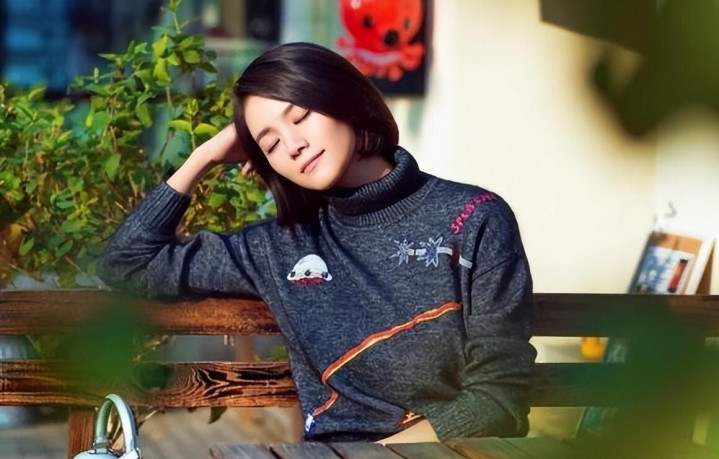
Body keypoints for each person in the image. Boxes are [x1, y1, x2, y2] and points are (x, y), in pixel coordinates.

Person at [97, 42, 536, 444]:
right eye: (269, 144)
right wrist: (204, 157)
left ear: (344, 99)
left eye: (301, 116)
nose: (293, 145)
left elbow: (497, 402)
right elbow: (127, 263)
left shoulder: (473, 218)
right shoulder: (279, 248)